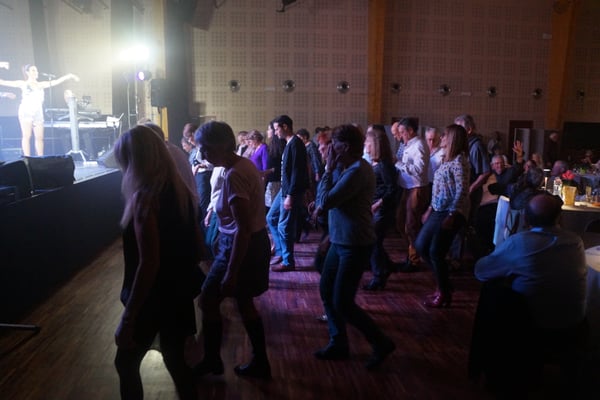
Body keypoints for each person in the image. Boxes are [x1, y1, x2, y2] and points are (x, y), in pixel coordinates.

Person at [113, 125, 205, 400]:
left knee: (126, 362)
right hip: (177, 293)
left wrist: (129, 316)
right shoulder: (179, 190)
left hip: (153, 297)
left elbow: (149, 262)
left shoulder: (145, 198)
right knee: (176, 360)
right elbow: (197, 248)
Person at [472, 193, 587, 395]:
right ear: (560, 217)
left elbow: (481, 271)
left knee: (492, 291)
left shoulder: (520, 243)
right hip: (573, 324)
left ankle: (494, 373)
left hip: (530, 328)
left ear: (525, 218)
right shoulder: (575, 241)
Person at [192, 121, 272, 380]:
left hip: (241, 247)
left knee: (208, 299)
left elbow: (243, 229)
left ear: (222, 145)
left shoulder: (235, 174)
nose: (202, 153)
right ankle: (258, 362)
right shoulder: (241, 165)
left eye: (206, 148)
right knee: (243, 302)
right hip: (247, 244)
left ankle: (214, 360)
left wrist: (232, 271)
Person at [312, 124, 395, 370]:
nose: (329, 150)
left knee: (343, 302)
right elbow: (328, 202)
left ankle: (381, 342)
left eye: (333, 145)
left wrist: (327, 170)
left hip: (355, 243)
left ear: (345, 147)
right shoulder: (348, 168)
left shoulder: (357, 171)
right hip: (341, 240)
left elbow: (326, 201)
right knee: (327, 290)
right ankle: (338, 342)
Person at [415, 124, 470, 308]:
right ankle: (444, 283)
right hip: (438, 210)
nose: (442, 138)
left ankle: (443, 292)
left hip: (450, 211)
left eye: (445, 135)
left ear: (453, 138)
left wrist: (453, 213)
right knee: (421, 245)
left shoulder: (460, 161)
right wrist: (429, 209)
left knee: (435, 252)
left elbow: (462, 190)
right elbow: (439, 188)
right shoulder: (447, 159)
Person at [0, 64, 79, 156]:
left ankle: (40, 157)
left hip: (38, 112)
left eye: (36, 70)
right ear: (27, 72)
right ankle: (27, 158)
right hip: (26, 111)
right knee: (27, 136)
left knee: (40, 137)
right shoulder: (23, 83)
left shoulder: (41, 85)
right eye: (33, 70)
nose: (36, 72)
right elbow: (3, 82)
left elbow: (55, 82)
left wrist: (69, 76)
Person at [267, 114, 309, 272]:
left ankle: (288, 261)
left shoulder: (296, 144)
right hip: (285, 189)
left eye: (277, 128)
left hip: (290, 191)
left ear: (285, 127)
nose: (275, 132)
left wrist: (290, 195)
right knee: (271, 217)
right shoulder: (289, 143)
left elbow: (297, 172)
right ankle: (280, 252)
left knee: (284, 226)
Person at [362, 124, 398, 291]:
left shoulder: (384, 165)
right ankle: (385, 267)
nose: (365, 145)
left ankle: (379, 275)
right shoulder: (377, 163)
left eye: (367, 143)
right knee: (374, 242)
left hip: (382, 210)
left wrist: (378, 204)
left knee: (374, 242)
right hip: (376, 208)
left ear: (374, 144)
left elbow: (392, 189)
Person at [395, 117, 430, 270]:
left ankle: (415, 259)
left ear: (410, 131)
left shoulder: (419, 145)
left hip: (416, 188)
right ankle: (412, 252)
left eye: (402, 132)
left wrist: (398, 163)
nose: (400, 135)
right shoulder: (408, 144)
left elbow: (419, 170)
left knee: (411, 225)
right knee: (400, 221)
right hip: (407, 188)